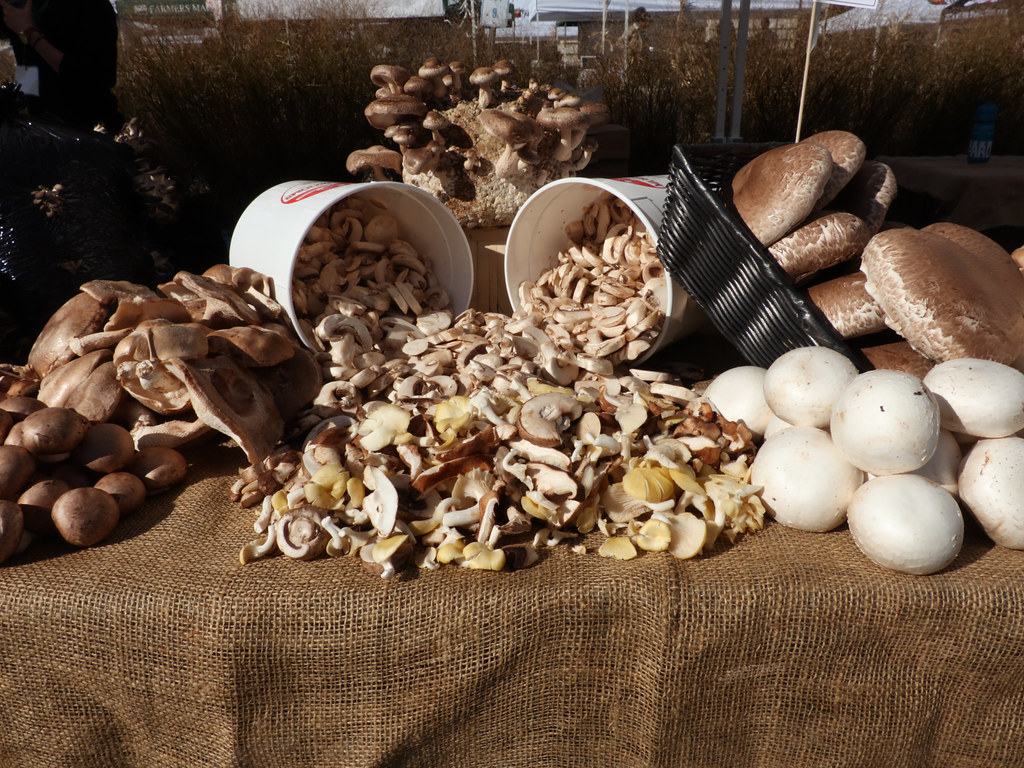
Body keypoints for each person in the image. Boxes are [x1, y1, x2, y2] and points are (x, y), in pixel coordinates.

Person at [1, 0, 122, 130]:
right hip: (40, 127)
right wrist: (26, 102)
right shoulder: (29, 5)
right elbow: (28, 59)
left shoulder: (93, 7)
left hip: (86, 130)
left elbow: (87, 78)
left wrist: (29, 33)